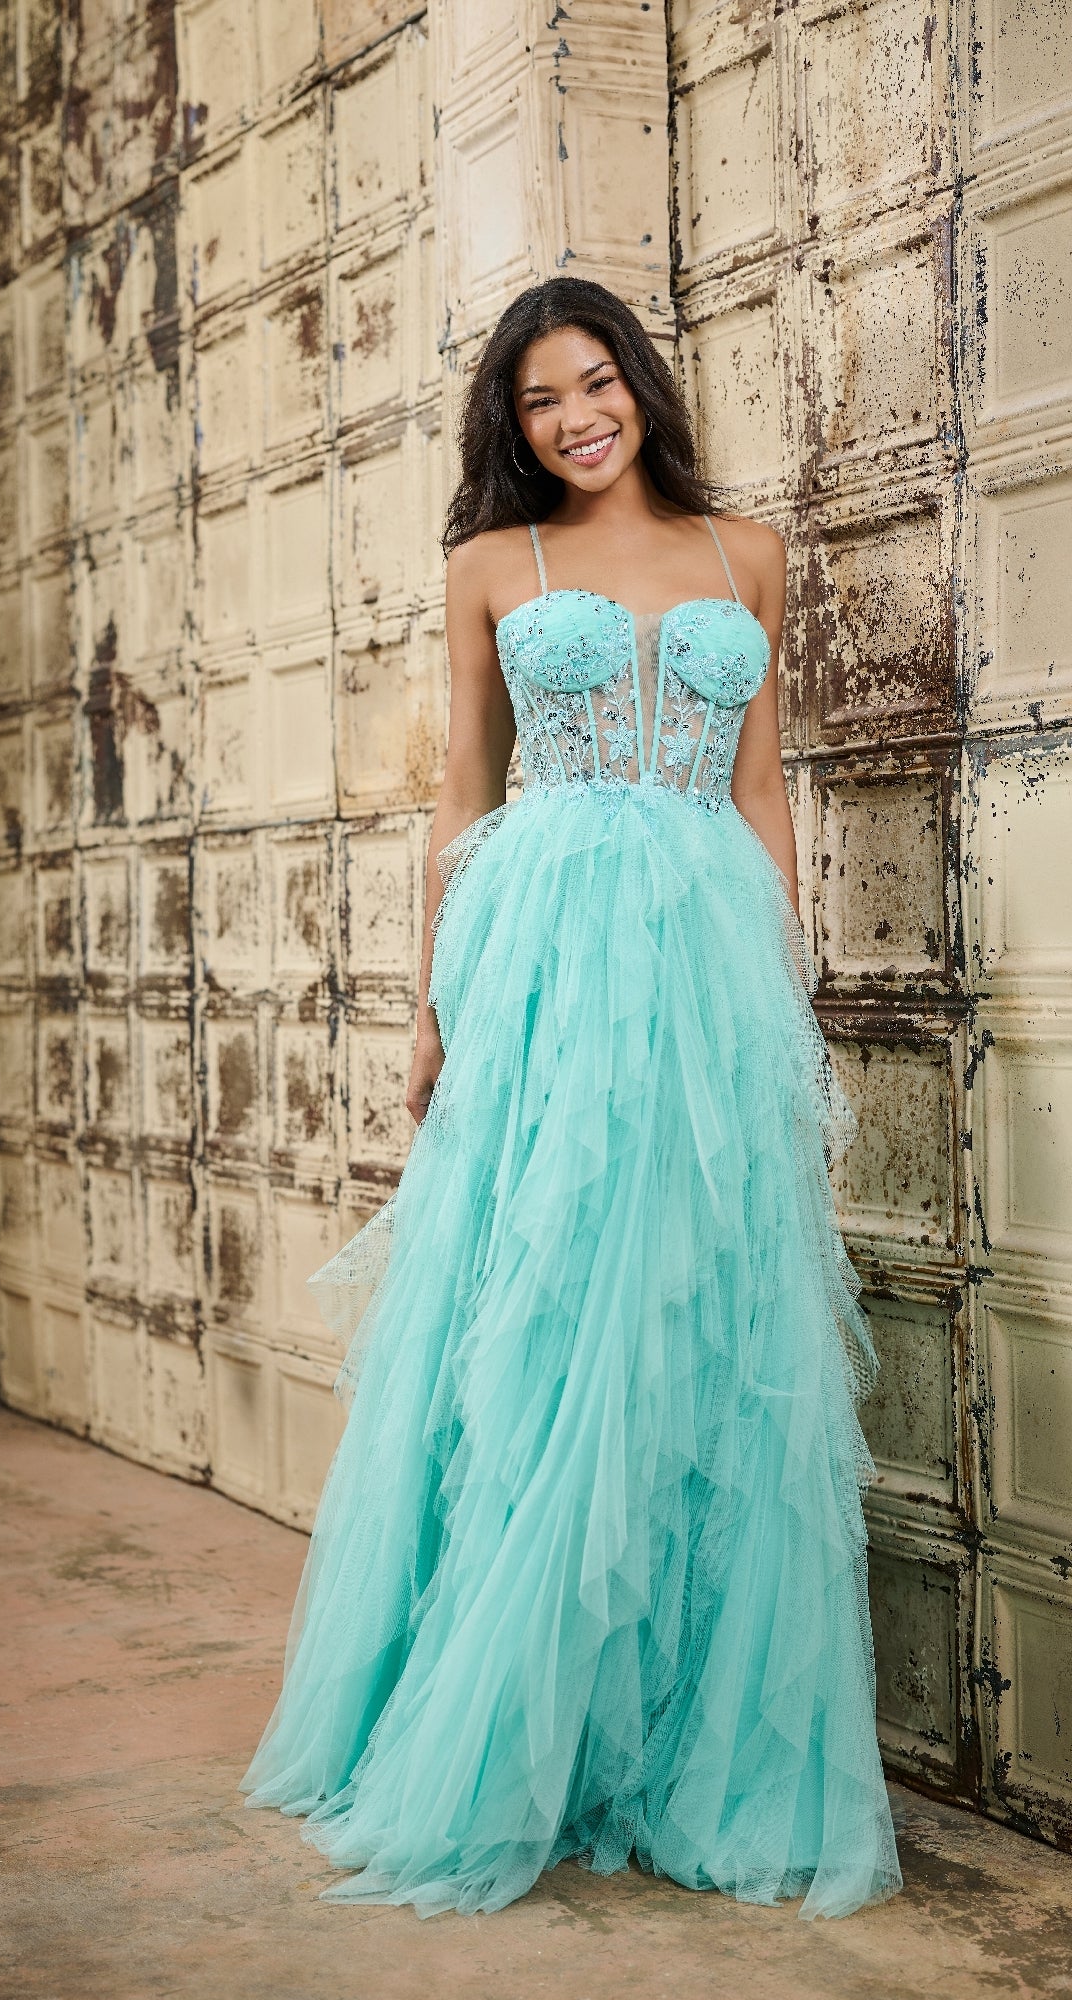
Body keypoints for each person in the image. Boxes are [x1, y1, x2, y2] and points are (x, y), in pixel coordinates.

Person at [240, 276, 904, 1922]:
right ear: (512, 424)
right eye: (540, 402)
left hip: (705, 980)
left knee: (706, 1320)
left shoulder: (747, 552)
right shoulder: (490, 566)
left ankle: (679, 1737)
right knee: (544, 1314)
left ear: (640, 388)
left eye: (595, 385)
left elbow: (761, 793)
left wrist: (783, 1001)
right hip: (547, 962)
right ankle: (512, 1726)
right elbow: (466, 794)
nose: (574, 419)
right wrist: (431, 1008)